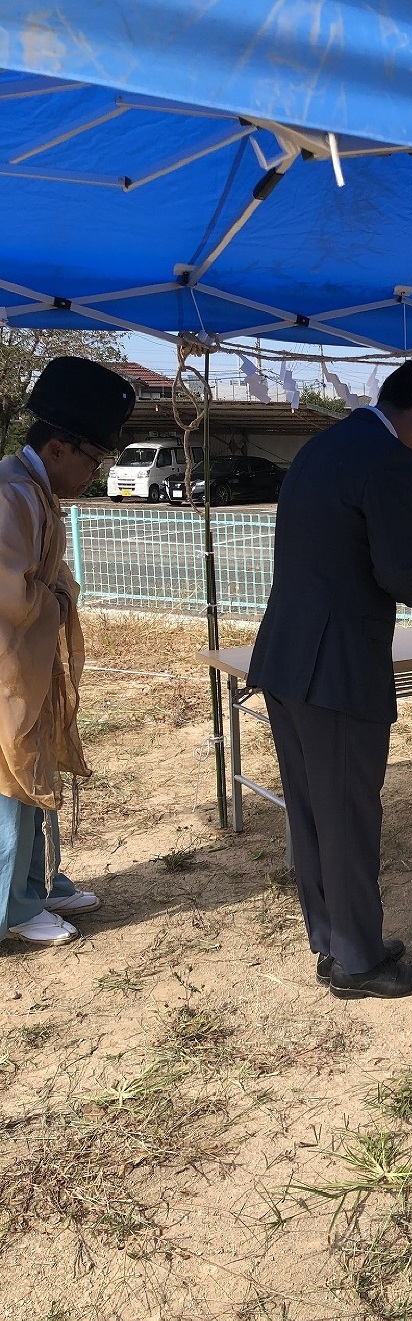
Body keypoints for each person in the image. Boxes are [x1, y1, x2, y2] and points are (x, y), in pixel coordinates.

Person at [248, 359, 412, 1000]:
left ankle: (335, 939)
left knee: (311, 811)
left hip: (285, 654)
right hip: (337, 667)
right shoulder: (392, 461)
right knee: (346, 814)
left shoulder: (323, 444)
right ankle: (359, 963)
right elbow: (399, 574)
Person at [0, 356, 136, 946]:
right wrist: (54, 595)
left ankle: (40, 882)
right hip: (6, 666)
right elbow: (12, 594)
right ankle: (14, 905)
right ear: (59, 448)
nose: (94, 472)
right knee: (10, 781)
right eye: (93, 459)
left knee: (36, 766)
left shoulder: (35, 490)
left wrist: (54, 592)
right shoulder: (12, 495)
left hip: (29, 663)